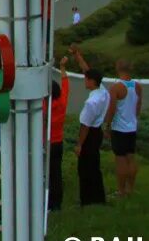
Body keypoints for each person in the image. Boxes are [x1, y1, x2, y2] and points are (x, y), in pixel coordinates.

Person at [71, 45, 109, 206]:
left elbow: (84, 126)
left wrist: (80, 144)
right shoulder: (103, 91)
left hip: (89, 135)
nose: (84, 80)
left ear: (92, 82)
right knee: (95, 166)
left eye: (86, 79)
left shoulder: (91, 102)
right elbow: (87, 70)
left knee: (85, 168)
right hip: (97, 132)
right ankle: (98, 197)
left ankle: (87, 200)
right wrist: (78, 57)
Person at [104, 59, 143, 197]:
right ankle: (130, 188)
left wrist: (107, 125)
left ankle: (121, 191)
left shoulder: (116, 88)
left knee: (120, 159)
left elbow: (112, 109)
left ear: (118, 68)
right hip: (131, 127)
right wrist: (133, 118)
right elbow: (138, 106)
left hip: (119, 128)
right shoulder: (137, 86)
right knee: (131, 158)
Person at [46, 56, 70, 211]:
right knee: (56, 174)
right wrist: (62, 68)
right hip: (58, 142)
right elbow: (66, 83)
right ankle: (57, 203)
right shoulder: (62, 102)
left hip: (46, 143)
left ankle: (47, 202)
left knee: (46, 175)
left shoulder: (43, 108)